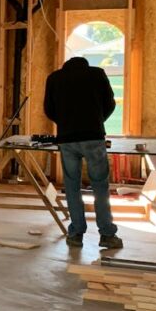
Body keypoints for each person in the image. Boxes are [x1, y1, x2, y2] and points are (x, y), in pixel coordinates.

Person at [44, 56, 123, 250]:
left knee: (72, 186)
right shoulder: (97, 74)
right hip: (93, 137)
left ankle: (76, 233)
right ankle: (107, 235)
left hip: (67, 140)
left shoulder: (54, 78)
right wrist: (96, 121)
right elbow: (110, 103)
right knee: (100, 187)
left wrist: (65, 124)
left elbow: (49, 110)